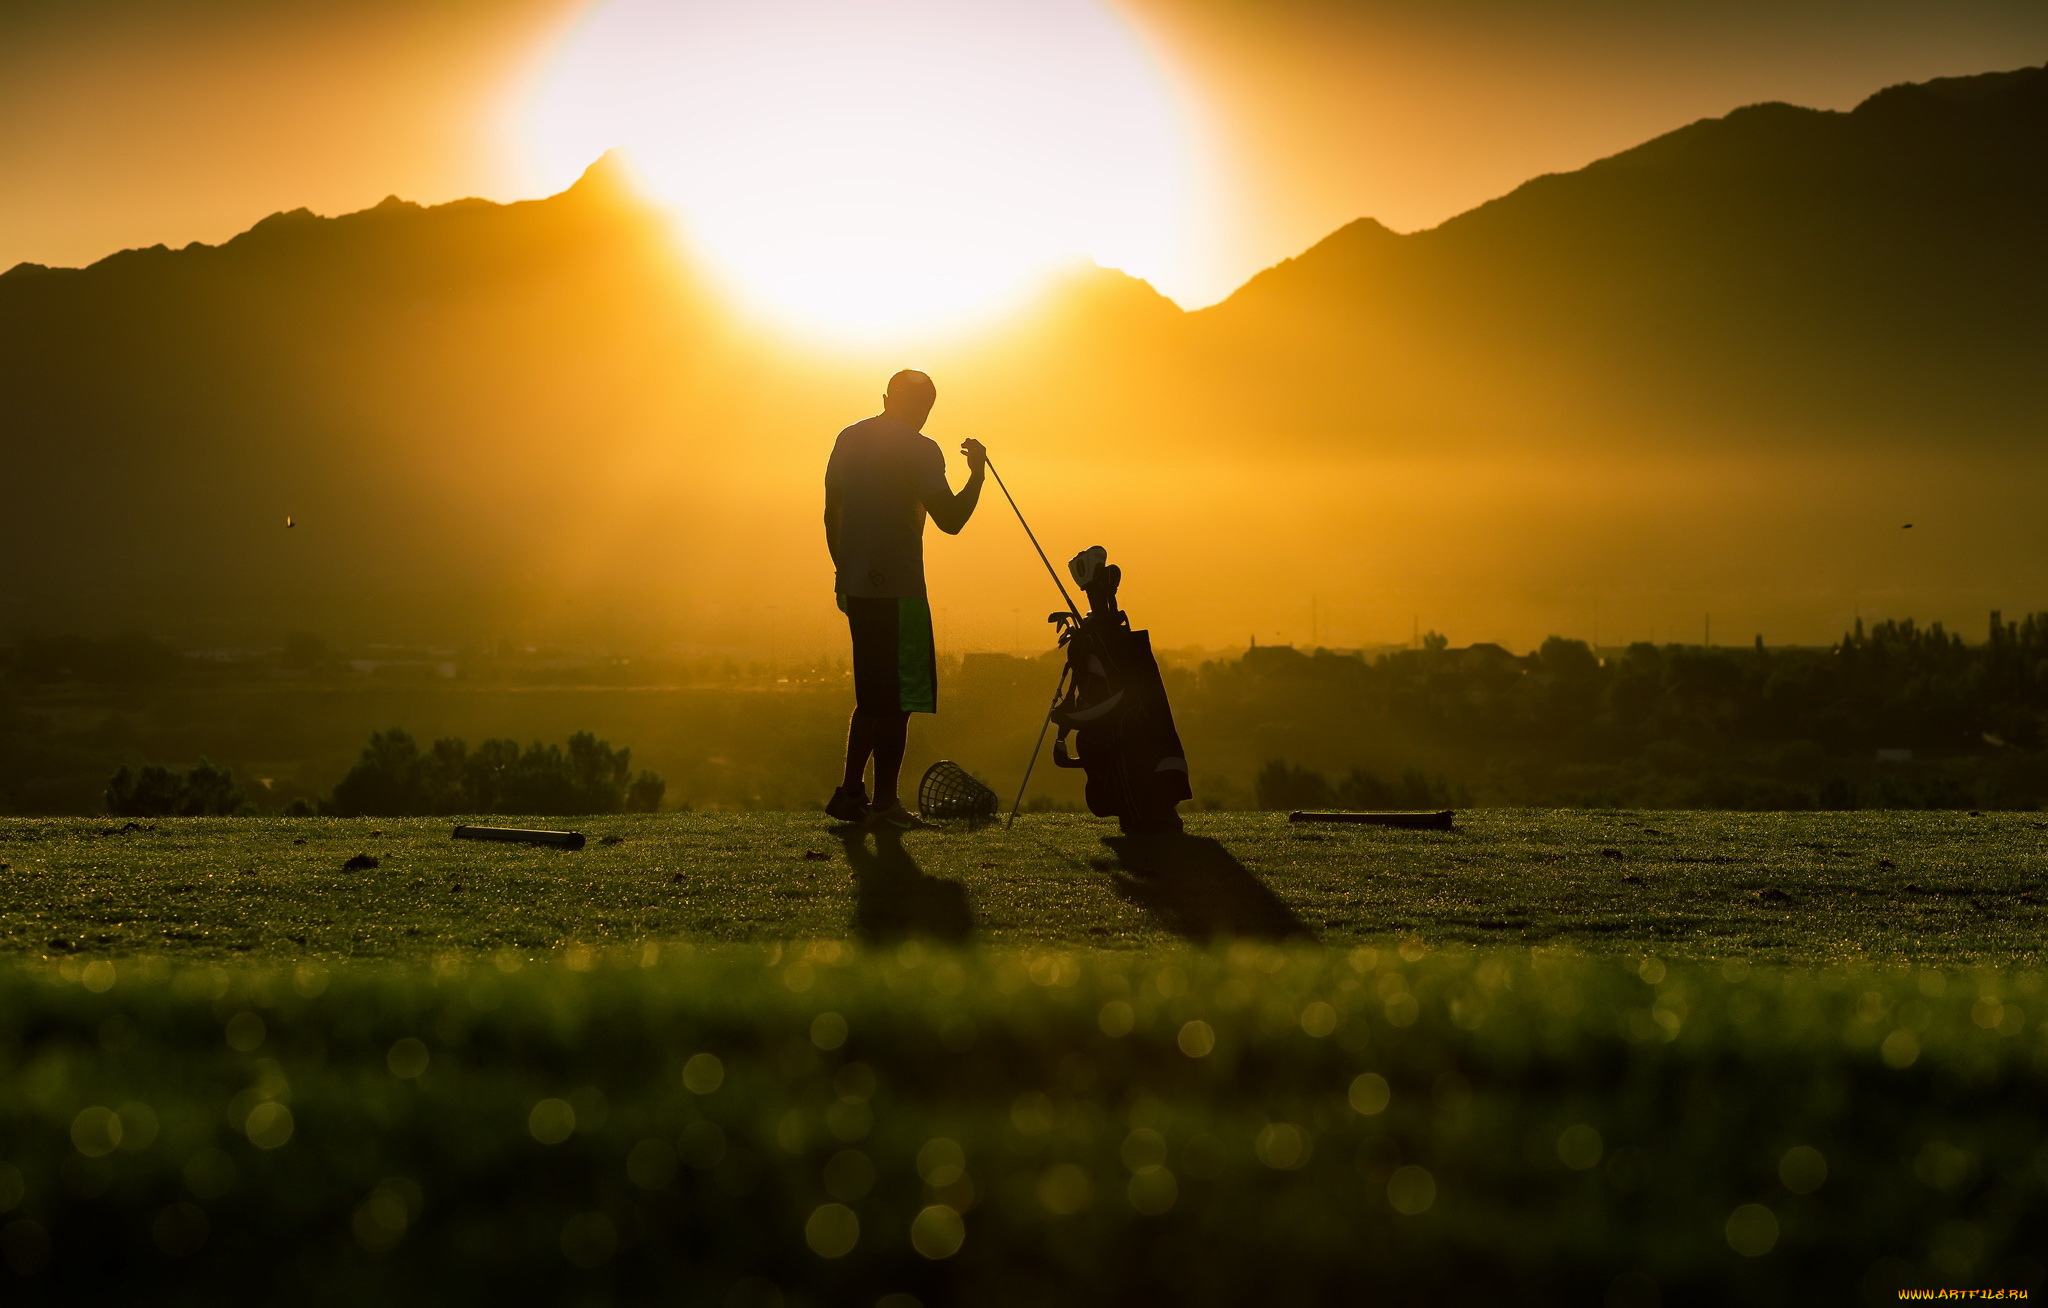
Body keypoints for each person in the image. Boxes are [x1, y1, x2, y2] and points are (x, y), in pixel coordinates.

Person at [823, 370, 985, 828]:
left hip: (857, 585)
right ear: (926, 407)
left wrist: (843, 572)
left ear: (886, 397)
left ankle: (851, 793)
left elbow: (829, 511)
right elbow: (951, 519)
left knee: (871, 697)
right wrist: (977, 475)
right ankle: (885, 805)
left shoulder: (848, 439)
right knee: (900, 699)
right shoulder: (921, 449)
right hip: (901, 589)